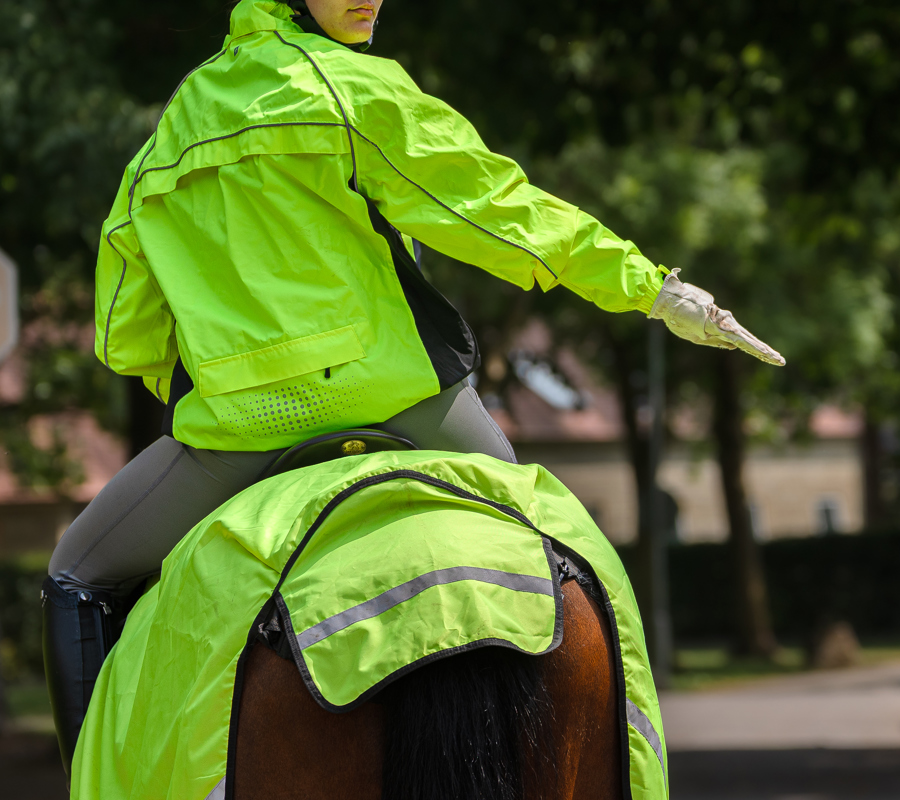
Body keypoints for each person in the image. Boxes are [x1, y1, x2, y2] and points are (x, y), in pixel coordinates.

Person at [42, 0, 785, 767]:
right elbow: (498, 211)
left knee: (76, 575)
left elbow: (126, 327)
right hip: (414, 409)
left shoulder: (174, 131)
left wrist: (222, 370)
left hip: (237, 436)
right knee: (569, 556)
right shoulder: (352, 86)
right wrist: (654, 290)